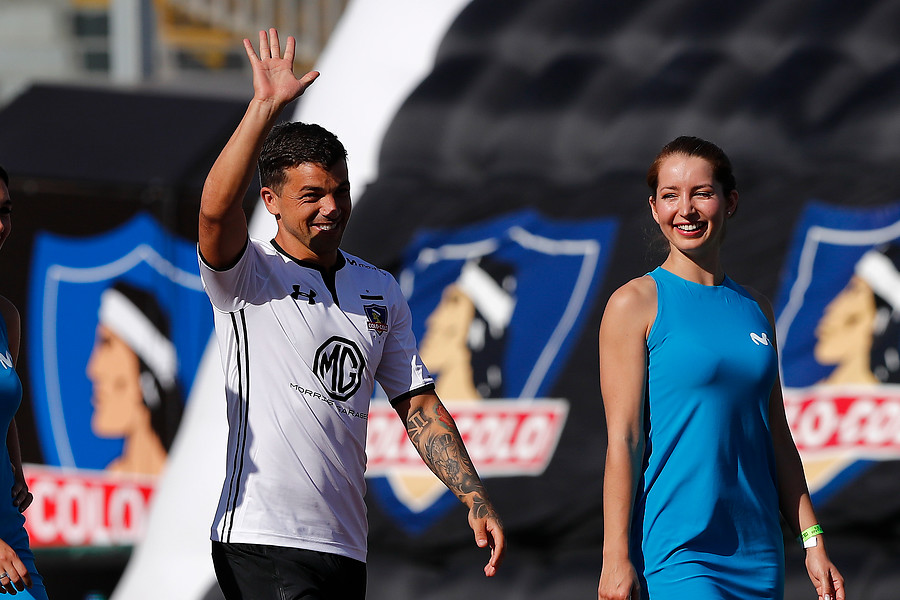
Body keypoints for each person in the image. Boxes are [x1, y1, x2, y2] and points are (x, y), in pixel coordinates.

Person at [198, 29, 505, 599]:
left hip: (344, 545)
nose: (331, 207)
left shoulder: (378, 288)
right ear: (270, 202)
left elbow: (417, 405)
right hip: (262, 537)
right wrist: (264, 107)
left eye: (339, 191)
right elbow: (215, 213)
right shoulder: (247, 274)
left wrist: (473, 495)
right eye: (311, 195)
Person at [596, 137, 844, 600]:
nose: (685, 210)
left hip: (760, 554)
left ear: (730, 202)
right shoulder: (634, 303)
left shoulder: (757, 309)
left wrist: (813, 542)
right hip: (678, 553)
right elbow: (624, 440)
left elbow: (777, 437)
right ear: (654, 208)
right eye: (670, 195)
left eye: (702, 193)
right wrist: (615, 557)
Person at [0, 165, 49, 599]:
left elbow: (5, 407)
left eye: (5, 211)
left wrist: (17, 470)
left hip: (9, 536)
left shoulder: (6, 316)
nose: (0, 225)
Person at [87, 281, 183, 475]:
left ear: (146, 375)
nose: (93, 369)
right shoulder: (113, 477)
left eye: (107, 344)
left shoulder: (183, 481)